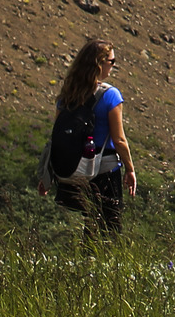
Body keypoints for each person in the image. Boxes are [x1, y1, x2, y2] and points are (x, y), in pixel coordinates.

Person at [40, 37, 134, 232]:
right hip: (105, 171)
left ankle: (86, 260)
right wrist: (130, 169)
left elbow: (55, 137)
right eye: (111, 62)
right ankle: (96, 261)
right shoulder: (110, 95)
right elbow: (119, 139)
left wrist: (46, 175)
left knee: (91, 225)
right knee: (109, 230)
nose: (113, 66)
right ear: (99, 64)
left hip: (76, 172)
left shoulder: (68, 96)